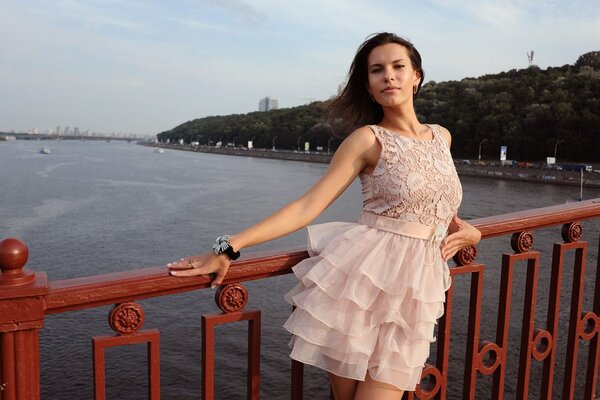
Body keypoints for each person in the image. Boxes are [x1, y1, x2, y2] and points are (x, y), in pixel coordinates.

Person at [169, 32, 481, 400]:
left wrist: (471, 232)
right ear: (368, 86)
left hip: (416, 289)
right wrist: (227, 246)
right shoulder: (367, 140)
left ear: (417, 76)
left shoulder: (441, 137)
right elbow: (307, 207)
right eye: (377, 70)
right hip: (361, 288)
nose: (389, 76)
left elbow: (438, 205)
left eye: (398, 67)